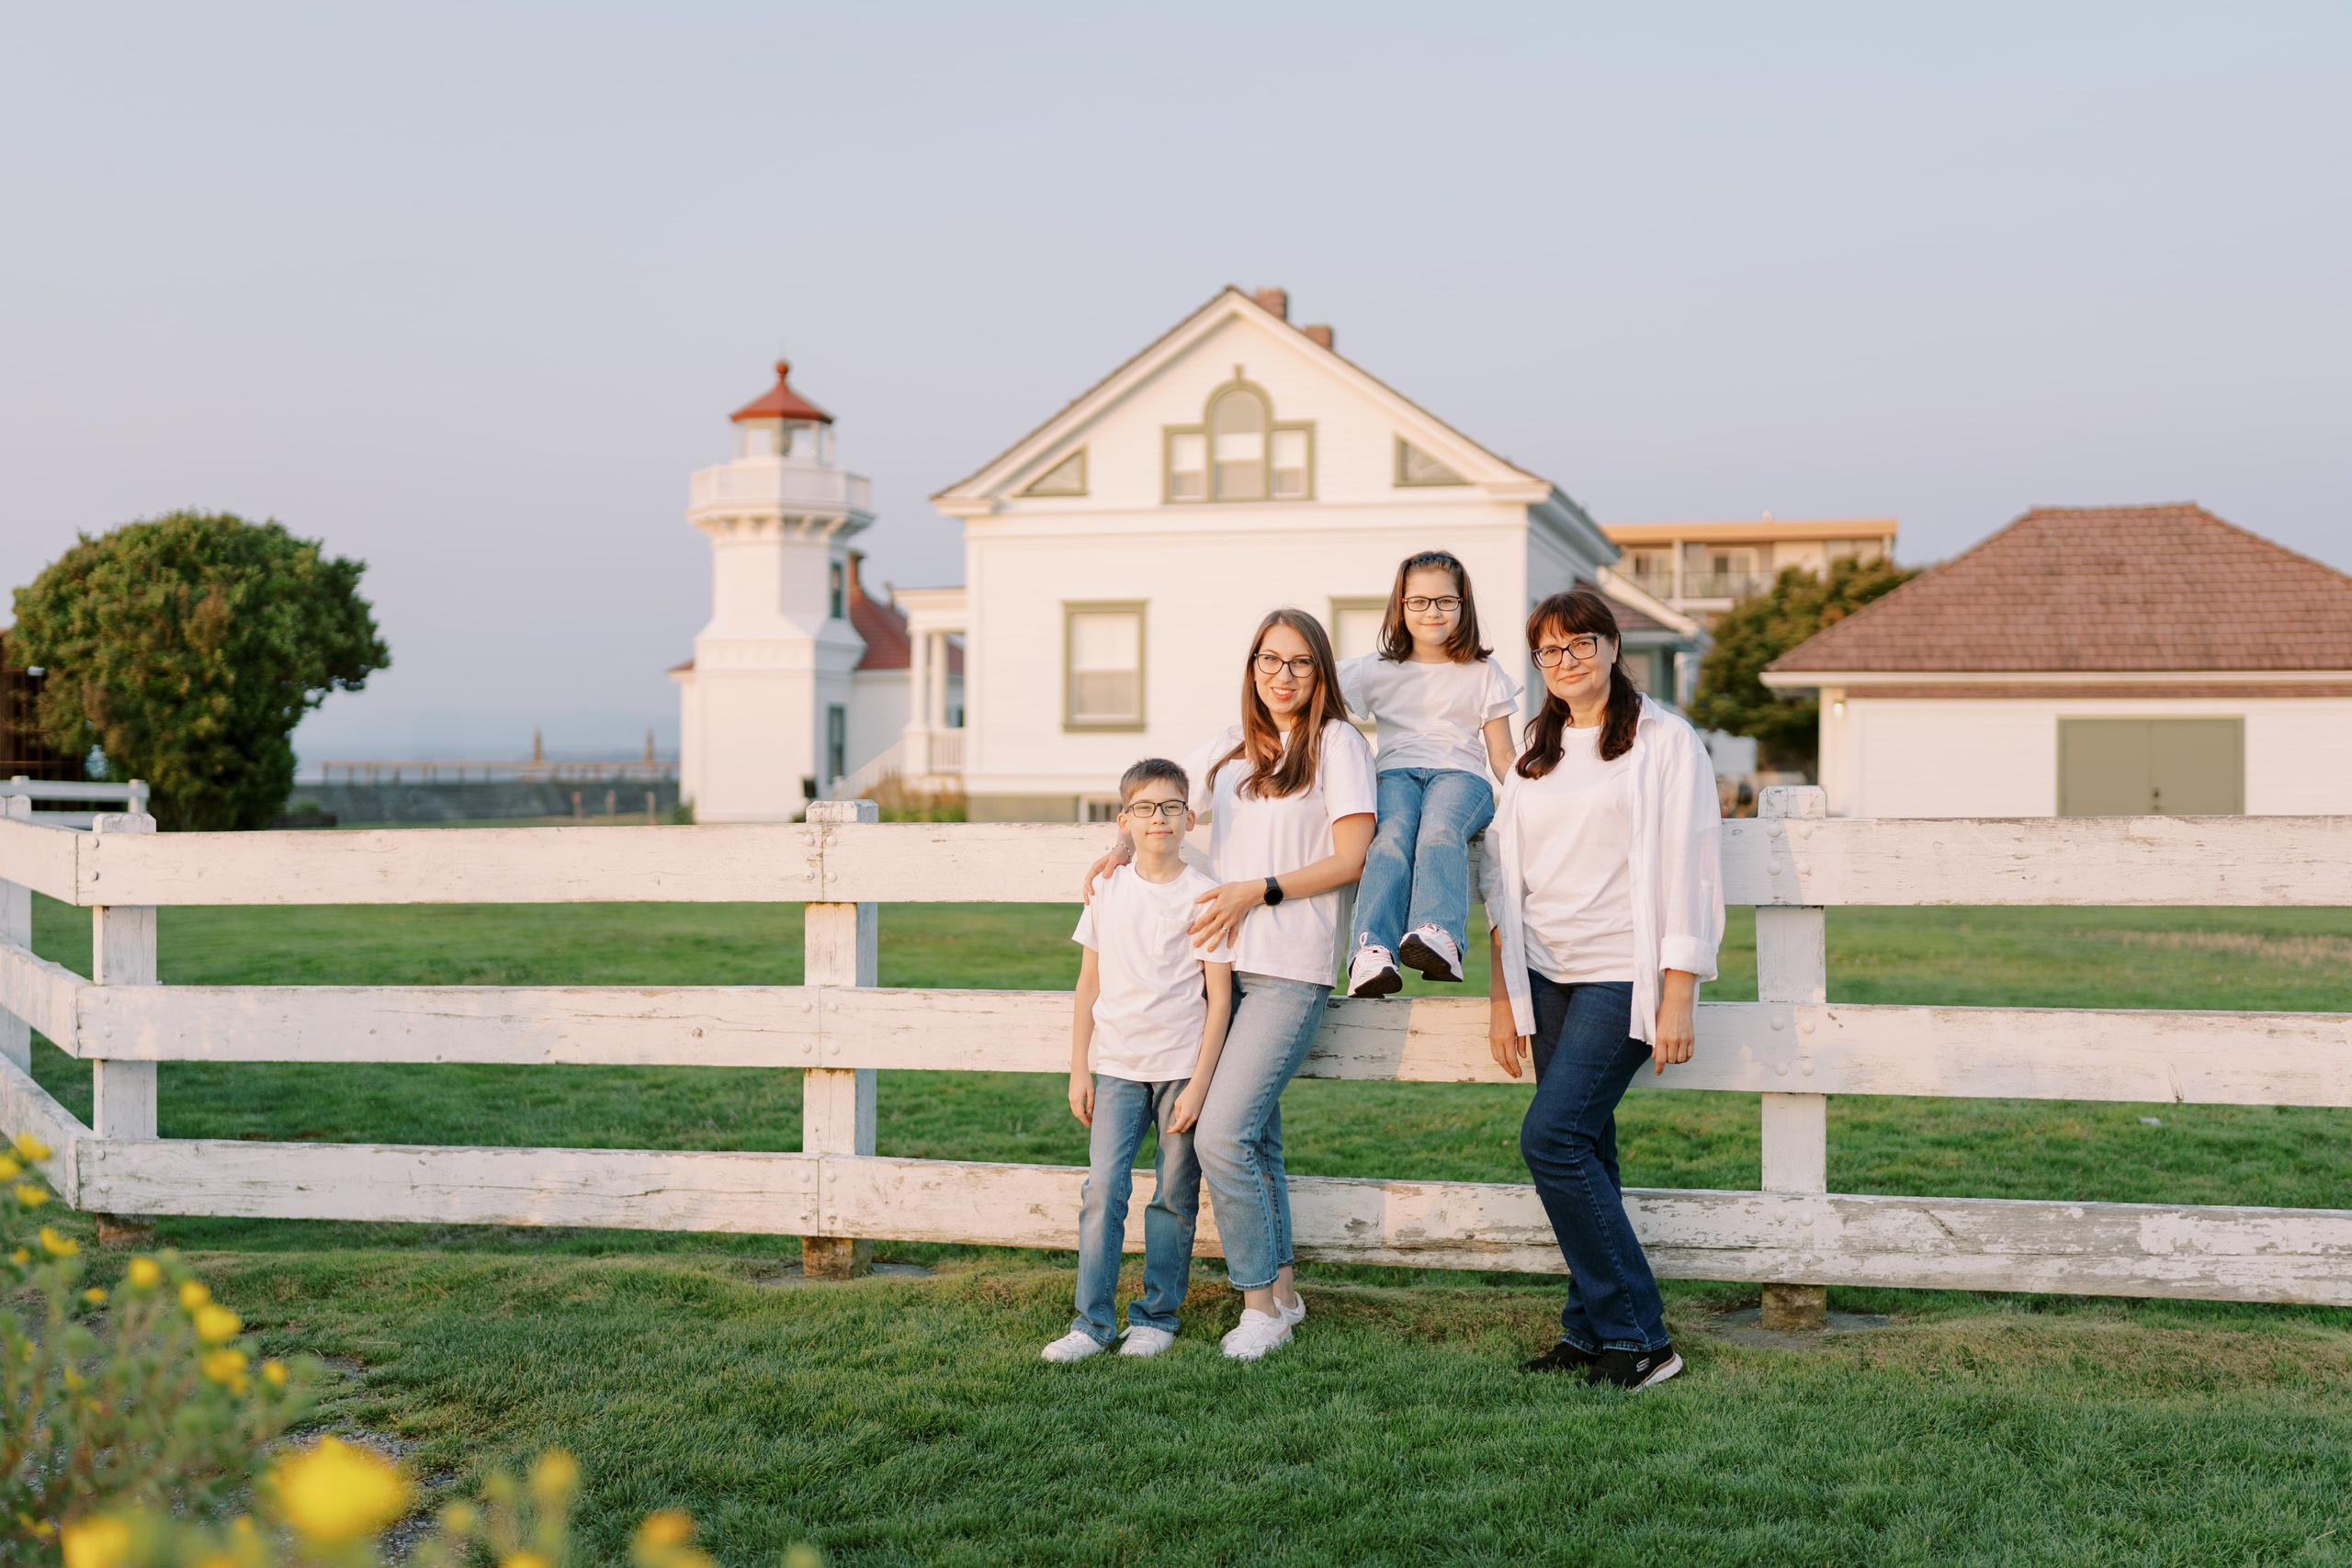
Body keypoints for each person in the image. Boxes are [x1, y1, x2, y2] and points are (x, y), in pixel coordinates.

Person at [1084, 609, 1375, 1360]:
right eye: (1270, 660)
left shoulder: (1339, 744)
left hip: (1289, 969)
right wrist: (1119, 845)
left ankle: (1257, 1306)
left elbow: (1351, 857)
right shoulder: (1229, 749)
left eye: (1301, 662)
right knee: (1260, 1142)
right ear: (1252, 668)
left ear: (1321, 674)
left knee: (1221, 1133)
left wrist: (1257, 889)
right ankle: (1282, 1293)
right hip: (1218, 974)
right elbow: (1163, 797)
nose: (1283, 675)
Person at [1485, 587, 1724, 1392]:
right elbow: (1502, 875)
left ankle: (1642, 1336)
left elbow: (1692, 861)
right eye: (1548, 651)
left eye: (1580, 644)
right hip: (1546, 972)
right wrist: (1501, 994)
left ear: (1614, 645)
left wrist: (1679, 988)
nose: (1565, 662)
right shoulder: (1531, 747)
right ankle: (1590, 1332)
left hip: (1621, 972)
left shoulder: (1664, 741)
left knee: (1551, 1139)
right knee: (1586, 1146)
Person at [1042, 759, 1236, 1362]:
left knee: (1173, 1194)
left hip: (1181, 1068)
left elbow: (1221, 997)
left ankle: (1156, 1315)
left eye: (1171, 806)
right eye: (1147, 807)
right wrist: (1079, 1066)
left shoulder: (1205, 894)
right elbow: (1087, 983)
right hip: (1119, 1068)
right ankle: (1091, 1323)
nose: (1160, 817)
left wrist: (1200, 1086)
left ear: (1189, 817)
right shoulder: (1107, 888)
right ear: (1125, 820)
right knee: (1103, 1188)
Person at [1336, 549, 1520, 998]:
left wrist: (1531, 797)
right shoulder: (1372, 670)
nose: (1431, 612)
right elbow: (1312, 697)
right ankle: (1371, 953)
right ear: (1400, 606)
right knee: (1392, 836)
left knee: (1439, 831)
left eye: (1445, 601)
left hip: (1462, 778)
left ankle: (1438, 935)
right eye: (1418, 601)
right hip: (1395, 774)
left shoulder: (1483, 671)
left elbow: (1501, 753)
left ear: (1463, 605)